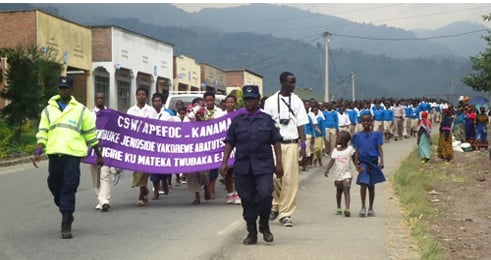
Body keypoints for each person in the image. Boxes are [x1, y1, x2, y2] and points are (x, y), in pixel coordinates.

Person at [33, 76, 104, 239]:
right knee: (54, 185)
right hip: (54, 153)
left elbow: (91, 135)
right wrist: (38, 150)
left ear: (71, 90)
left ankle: (66, 222)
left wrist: (99, 155)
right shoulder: (48, 110)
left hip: (73, 154)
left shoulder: (81, 110)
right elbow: (43, 131)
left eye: (65, 88)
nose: (62, 90)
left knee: (69, 187)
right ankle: (65, 208)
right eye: (60, 88)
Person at [219, 85, 283, 245]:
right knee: (247, 199)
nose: (249, 102)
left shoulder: (267, 120)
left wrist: (279, 163)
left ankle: (264, 225)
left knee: (265, 194)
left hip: (264, 165)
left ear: (258, 100)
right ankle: (251, 232)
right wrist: (224, 162)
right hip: (243, 166)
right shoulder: (237, 121)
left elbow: (276, 142)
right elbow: (229, 142)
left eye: (252, 99)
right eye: (247, 99)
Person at [263, 71, 309, 227]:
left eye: (294, 82)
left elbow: (301, 123)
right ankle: (276, 204)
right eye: (291, 82)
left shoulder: (297, 101)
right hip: (274, 144)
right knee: (275, 177)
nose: (293, 85)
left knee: (289, 179)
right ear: (282, 82)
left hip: (291, 144)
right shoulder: (269, 101)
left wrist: (303, 144)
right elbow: (266, 123)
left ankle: (286, 213)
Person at [127, 87, 158, 206]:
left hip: (148, 143)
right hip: (135, 143)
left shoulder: (151, 111)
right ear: (136, 96)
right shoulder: (131, 111)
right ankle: (144, 189)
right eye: (139, 94)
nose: (141, 96)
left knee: (144, 167)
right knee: (137, 167)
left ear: (146, 96)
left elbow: (156, 127)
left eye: (143, 94)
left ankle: (141, 194)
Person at [352, 113, 386, 217]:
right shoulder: (357, 136)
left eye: (368, 121)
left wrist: (382, 161)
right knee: (363, 184)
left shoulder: (377, 134)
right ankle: (363, 207)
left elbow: (379, 148)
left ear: (371, 122)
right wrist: (356, 165)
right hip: (363, 162)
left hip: (373, 162)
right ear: (361, 122)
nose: (366, 123)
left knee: (371, 186)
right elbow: (356, 151)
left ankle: (371, 207)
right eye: (364, 121)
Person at [324, 130, 360, 218]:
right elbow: (332, 161)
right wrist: (327, 169)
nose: (337, 138)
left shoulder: (350, 149)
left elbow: (354, 159)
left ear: (344, 140)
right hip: (338, 174)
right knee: (339, 191)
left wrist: (357, 167)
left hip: (347, 173)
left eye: (339, 137)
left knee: (346, 188)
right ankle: (339, 207)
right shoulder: (335, 150)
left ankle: (347, 208)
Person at [89, 92, 111, 212]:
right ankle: (100, 198)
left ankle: (105, 200)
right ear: (95, 99)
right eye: (97, 98)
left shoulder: (110, 114)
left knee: (104, 174)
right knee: (95, 176)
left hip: (106, 149)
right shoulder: (90, 114)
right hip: (93, 149)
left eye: (102, 98)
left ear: (105, 99)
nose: (100, 100)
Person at [203, 91, 226, 200]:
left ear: (214, 100)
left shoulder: (220, 113)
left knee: (213, 167)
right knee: (204, 168)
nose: (209, 102)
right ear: (205, 102)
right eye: (207, 100)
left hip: (216, 144)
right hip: (203, 144)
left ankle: (211, 187)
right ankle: (206, 187)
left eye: (211, 100)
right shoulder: (200, 112)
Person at [150, 92, 171, 200]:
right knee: (153, 169)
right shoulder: (149, 114)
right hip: (152, 145)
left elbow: (172, 129)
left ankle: (165, 183)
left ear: (162, 103)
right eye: (155, 101)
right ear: (152, 103)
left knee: (163, 168)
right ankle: (156, 190)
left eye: (159, 101)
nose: (157, 103)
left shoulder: (167, 115)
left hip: (164, 145)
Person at [222, 94, 241, 205]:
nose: (230, 104)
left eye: (232, 102)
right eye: (228, 102)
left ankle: (238, 193)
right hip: (225, 146)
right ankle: (230, 193)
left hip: (237, 145)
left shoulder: (238, 115)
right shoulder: (220, 115)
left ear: (235, 103)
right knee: (228, 172)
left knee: (237, 171)